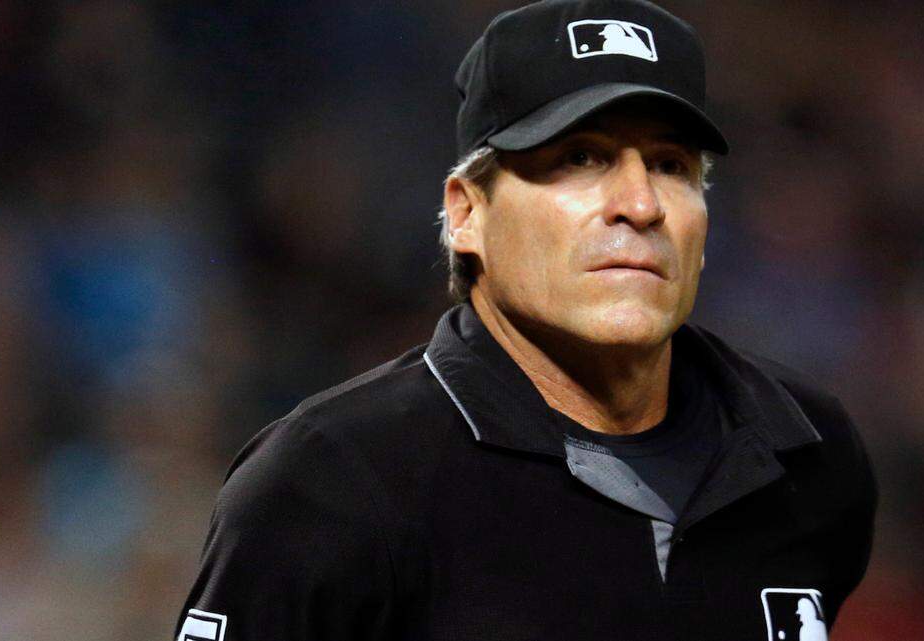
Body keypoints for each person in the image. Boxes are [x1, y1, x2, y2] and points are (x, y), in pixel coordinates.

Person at [173, 1, 877, 640]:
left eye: (669, 164)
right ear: (466, 212)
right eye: (580, 157)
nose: (639, 203)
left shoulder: (807, 455)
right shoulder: (332, 479)